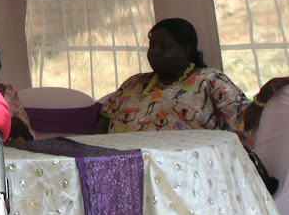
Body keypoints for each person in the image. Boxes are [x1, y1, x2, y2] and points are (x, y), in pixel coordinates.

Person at [96, 18, 289, 148]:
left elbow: (240, 120)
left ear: (186, 50)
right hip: (119, 168)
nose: (154, 52)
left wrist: (263, 95)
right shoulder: (134, 83)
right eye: (152, 46)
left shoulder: (209, 80)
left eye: (163, 47)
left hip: (185, 172)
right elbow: (102, 125)